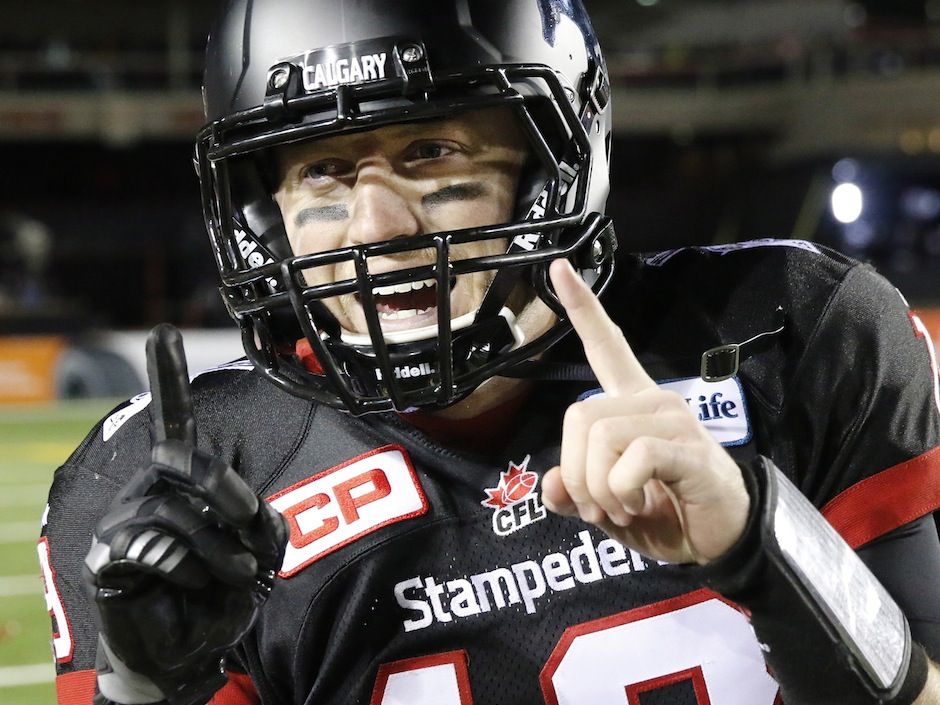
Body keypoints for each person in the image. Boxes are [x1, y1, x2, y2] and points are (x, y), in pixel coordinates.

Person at [39, 1, 940, 704]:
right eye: (321, 171)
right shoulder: (175, 480)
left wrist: (764, 550)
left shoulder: (794, 332)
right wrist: (146, 687)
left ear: (554, 162)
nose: (378, 228)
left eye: (432, 151)